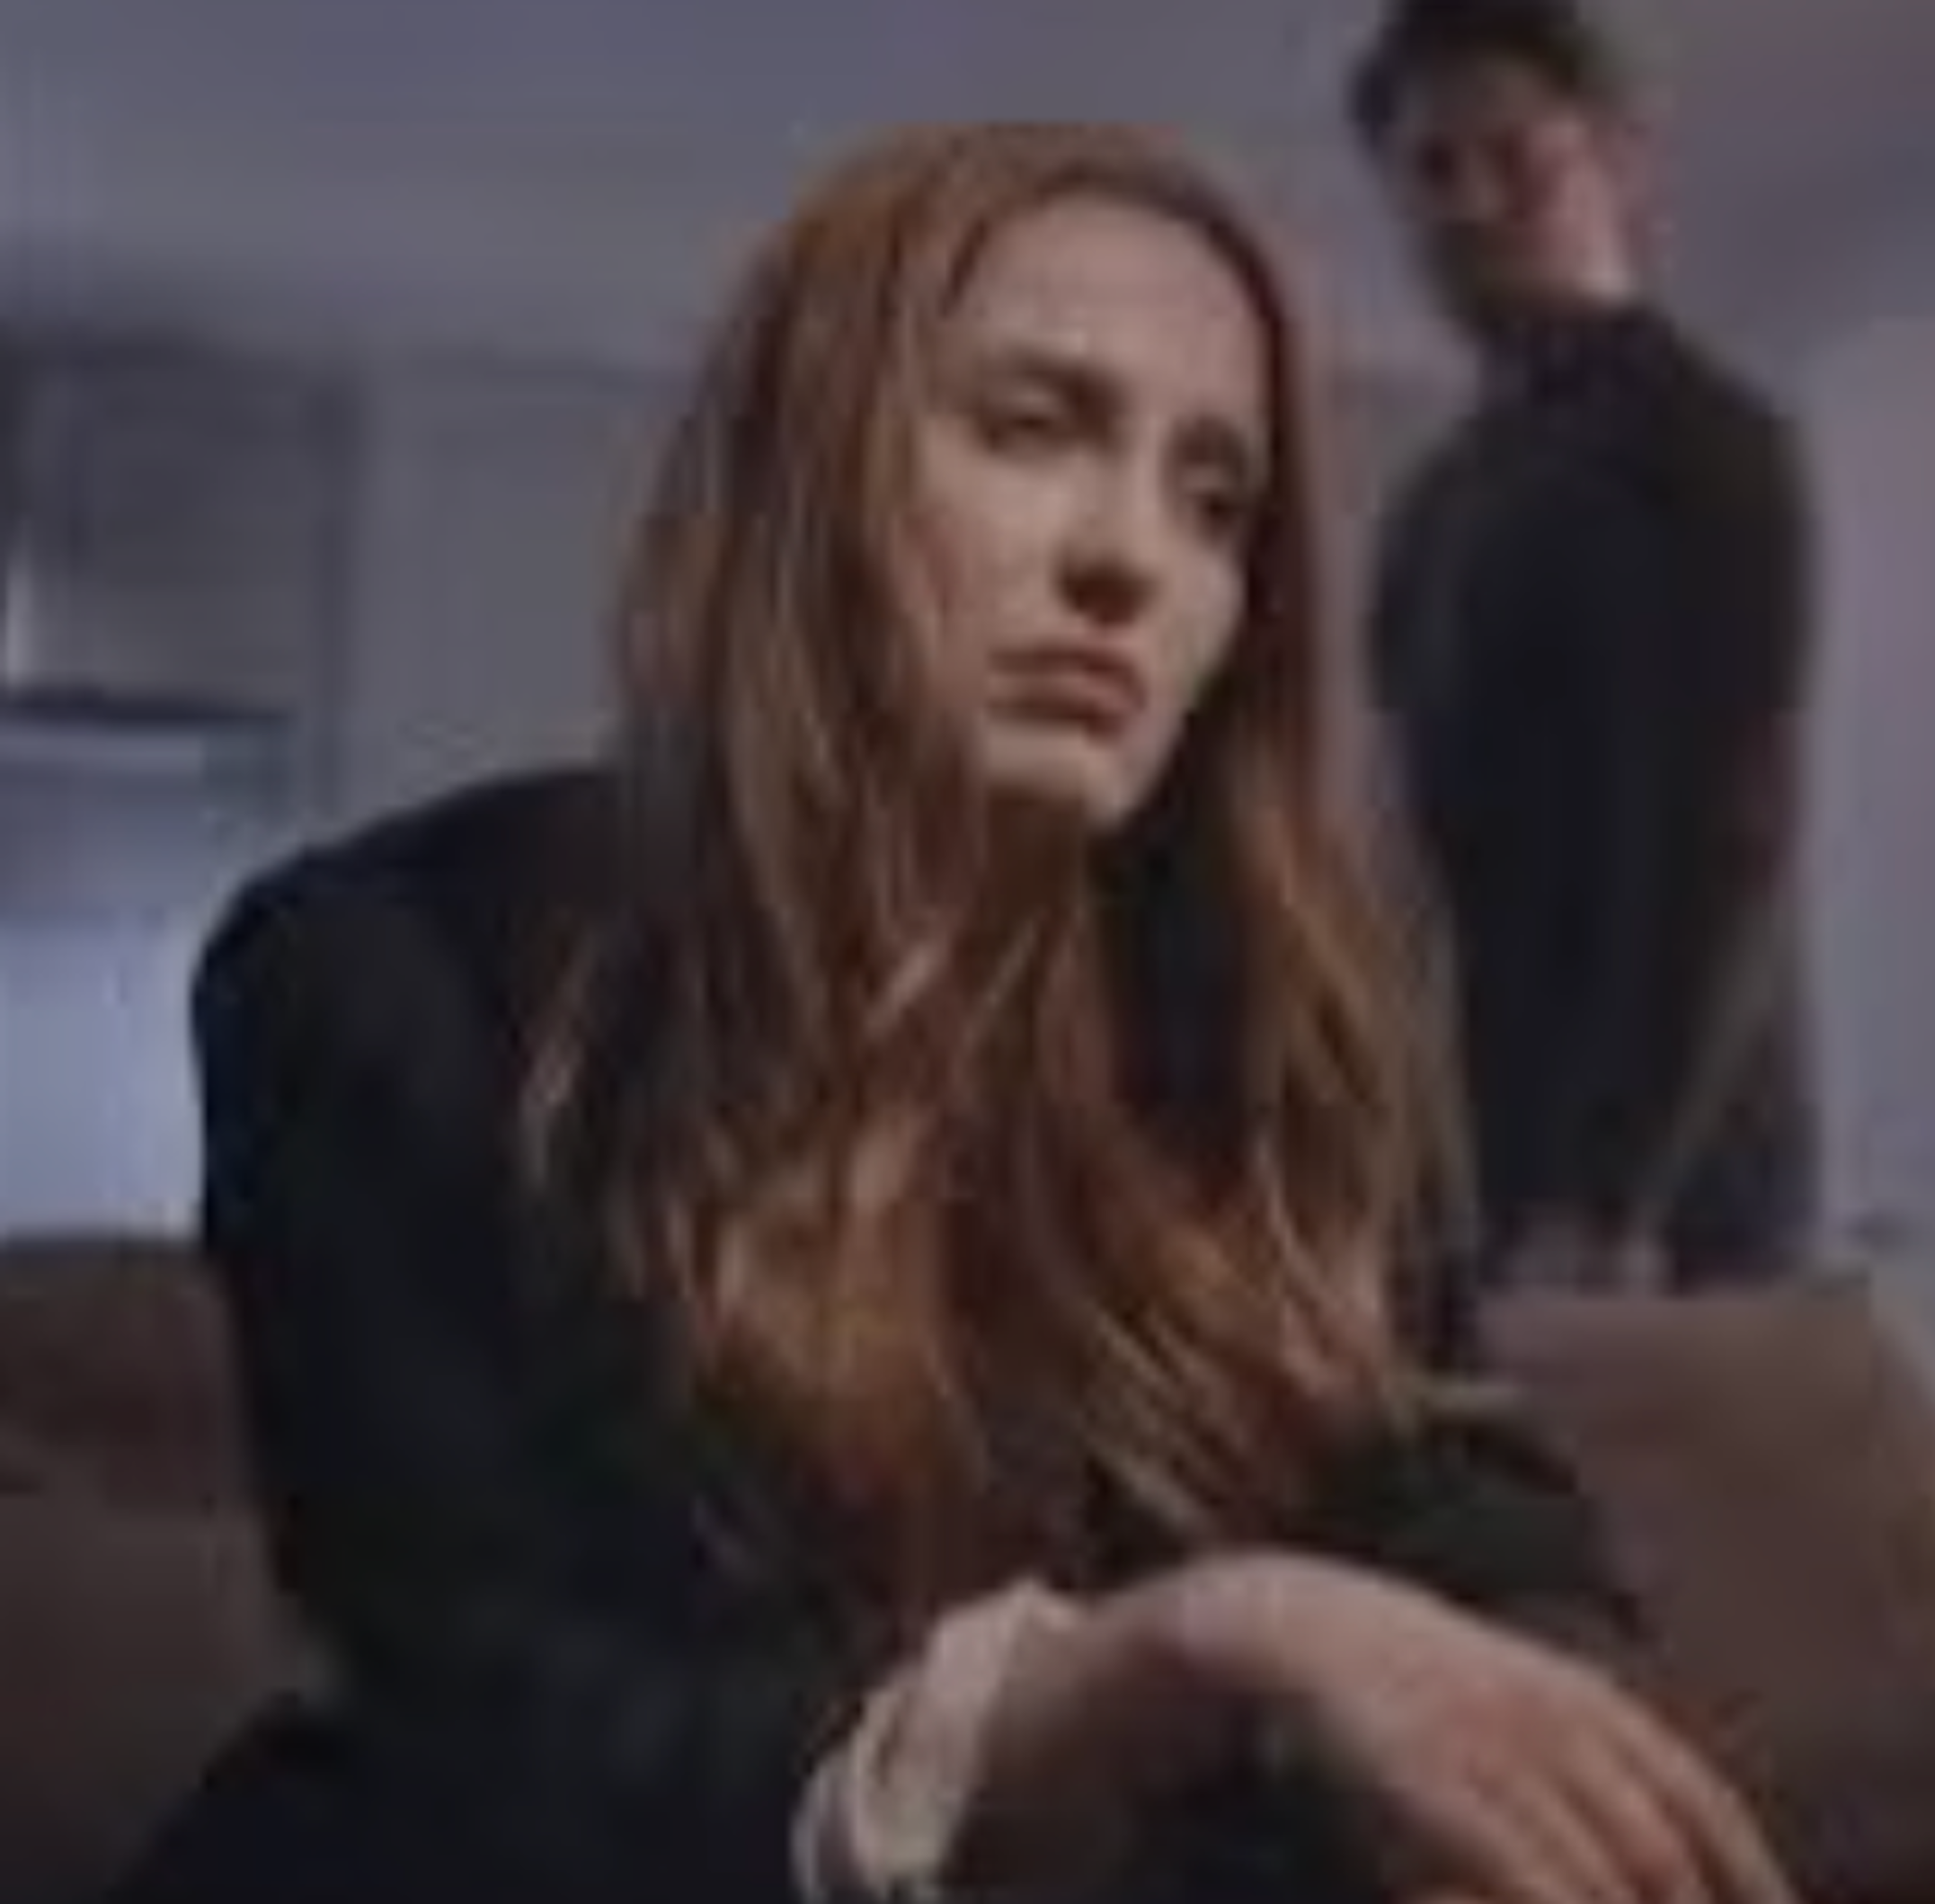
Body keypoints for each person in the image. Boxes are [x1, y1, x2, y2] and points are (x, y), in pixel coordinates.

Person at [116, 121, 1791, 1904]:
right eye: (1034, 427)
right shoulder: (377, 975)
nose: (1131, 559)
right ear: (807, 467)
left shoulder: (1278, 1047)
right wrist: (1164, 1660)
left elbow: (1470, 1500)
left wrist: (1509, 1720)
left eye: (1215, 499)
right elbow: (513, 1729)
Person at [1348, 0, 1820, 1295]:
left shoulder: (1698, 439)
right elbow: (1404, 849)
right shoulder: (1438, 501)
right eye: (1431, 170)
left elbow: (1723, 838)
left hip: (1652, 1221)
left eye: (1514, 156)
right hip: (1478, 1183)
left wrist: (1608, 1203)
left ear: (1613, 161)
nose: (1470, 201)